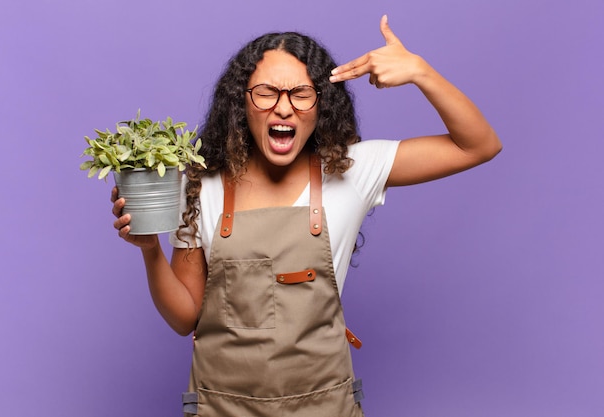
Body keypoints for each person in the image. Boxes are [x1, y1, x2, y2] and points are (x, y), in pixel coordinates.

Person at [111, 15, 501, 417]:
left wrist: (420, 71)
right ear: (240, 101)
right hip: (221, 408)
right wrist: (149, 249)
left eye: (300, 93)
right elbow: (184, 317)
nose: (283, 108)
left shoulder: (352, 170)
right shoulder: (200, 184)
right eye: (266, 92)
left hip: (324, 406)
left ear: (321, 104)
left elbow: (478, 145)